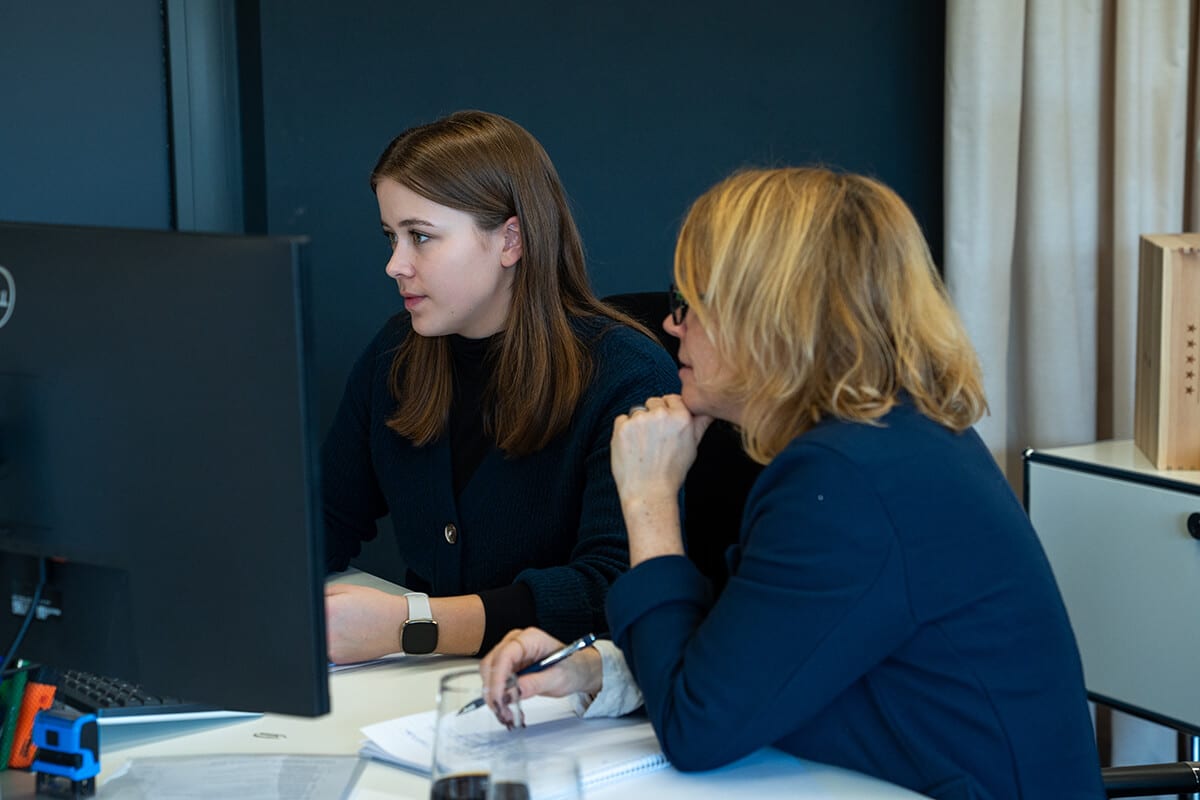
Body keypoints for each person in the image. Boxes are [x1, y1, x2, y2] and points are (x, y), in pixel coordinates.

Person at [481, 167, 1105, 798]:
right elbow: (756, 660)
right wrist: (599, 669)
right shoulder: (889, 436)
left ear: (770, 318)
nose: (674, 325)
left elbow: (695, 729)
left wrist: (648, 500)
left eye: (692, 303)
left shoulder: (848, 477)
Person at [322, 110, 679, 663]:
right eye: (391, 237)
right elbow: (327, 515)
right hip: (428, 687)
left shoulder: (625, 374)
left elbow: (611, 589)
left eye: (421, 237)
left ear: (510, 240)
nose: (395, 264)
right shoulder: (396, 353)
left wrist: (411, 625)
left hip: (561, 704)